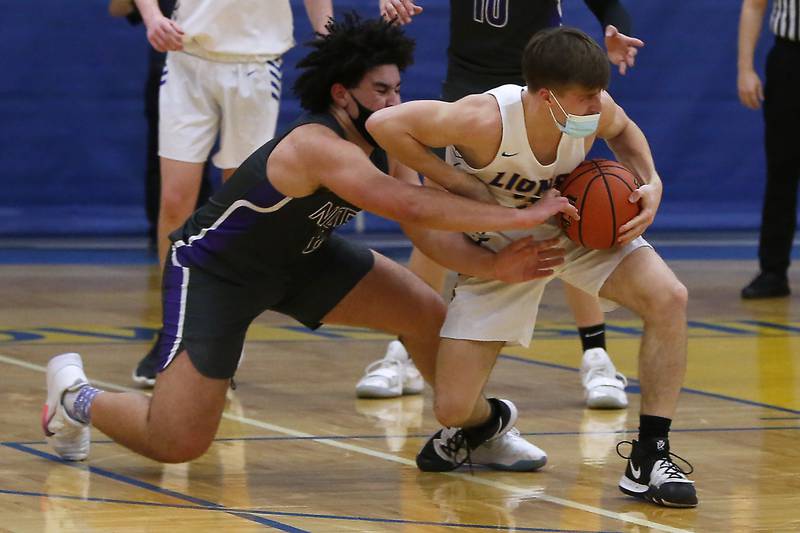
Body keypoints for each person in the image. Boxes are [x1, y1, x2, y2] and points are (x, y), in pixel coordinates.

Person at [42, 15, 577, 470]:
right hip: (217, 271)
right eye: (381, 91)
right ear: (341, 94)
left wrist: (494, 265)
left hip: (304, 259)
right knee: (177, 442)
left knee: (426, 314)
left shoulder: (388, 138)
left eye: (397, 89)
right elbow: (410, 206)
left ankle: (480, 428)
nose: (395, 101)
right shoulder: (317, 145)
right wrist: (523, 216)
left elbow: (426, 235)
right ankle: (75, 396)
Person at [368, 26, 698, 508]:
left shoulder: (596, 108)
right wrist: (456, 181)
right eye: (586, 98)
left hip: (572, 229)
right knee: (452, 407)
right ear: (546, 97)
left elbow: (624, 130)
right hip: (501, 250)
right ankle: (487, 423)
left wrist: (652, 181)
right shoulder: (482, 120)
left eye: (599, 94)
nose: (597, 106)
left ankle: (650, 454)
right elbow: (384, 125)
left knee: (670, 297)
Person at [356, 0, 643, 410]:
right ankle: (406, 349)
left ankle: (596, 356)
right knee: (440, 216)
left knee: (573, 215)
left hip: (545, 87)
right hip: (472, 86)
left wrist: (616, 26)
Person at [129, 0, 335, 385]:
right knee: (174, 202)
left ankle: (223, 334)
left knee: (239, 211)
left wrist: (328, 36)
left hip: (256, 63)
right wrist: (152, 17)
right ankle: (172, 329)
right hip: (186, 58)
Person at [108, 0, 213, 249]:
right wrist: (152, 16)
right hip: (171, 68)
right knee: (169, 161)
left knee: (236, 165)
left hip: (233, 64)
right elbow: (119, 8)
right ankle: (170, 244)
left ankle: (211, 237)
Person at [738, 0, 800, 299]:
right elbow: (753, 6)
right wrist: (745, 69)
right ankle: (773, 271)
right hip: (791, 58)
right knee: (782, 167)